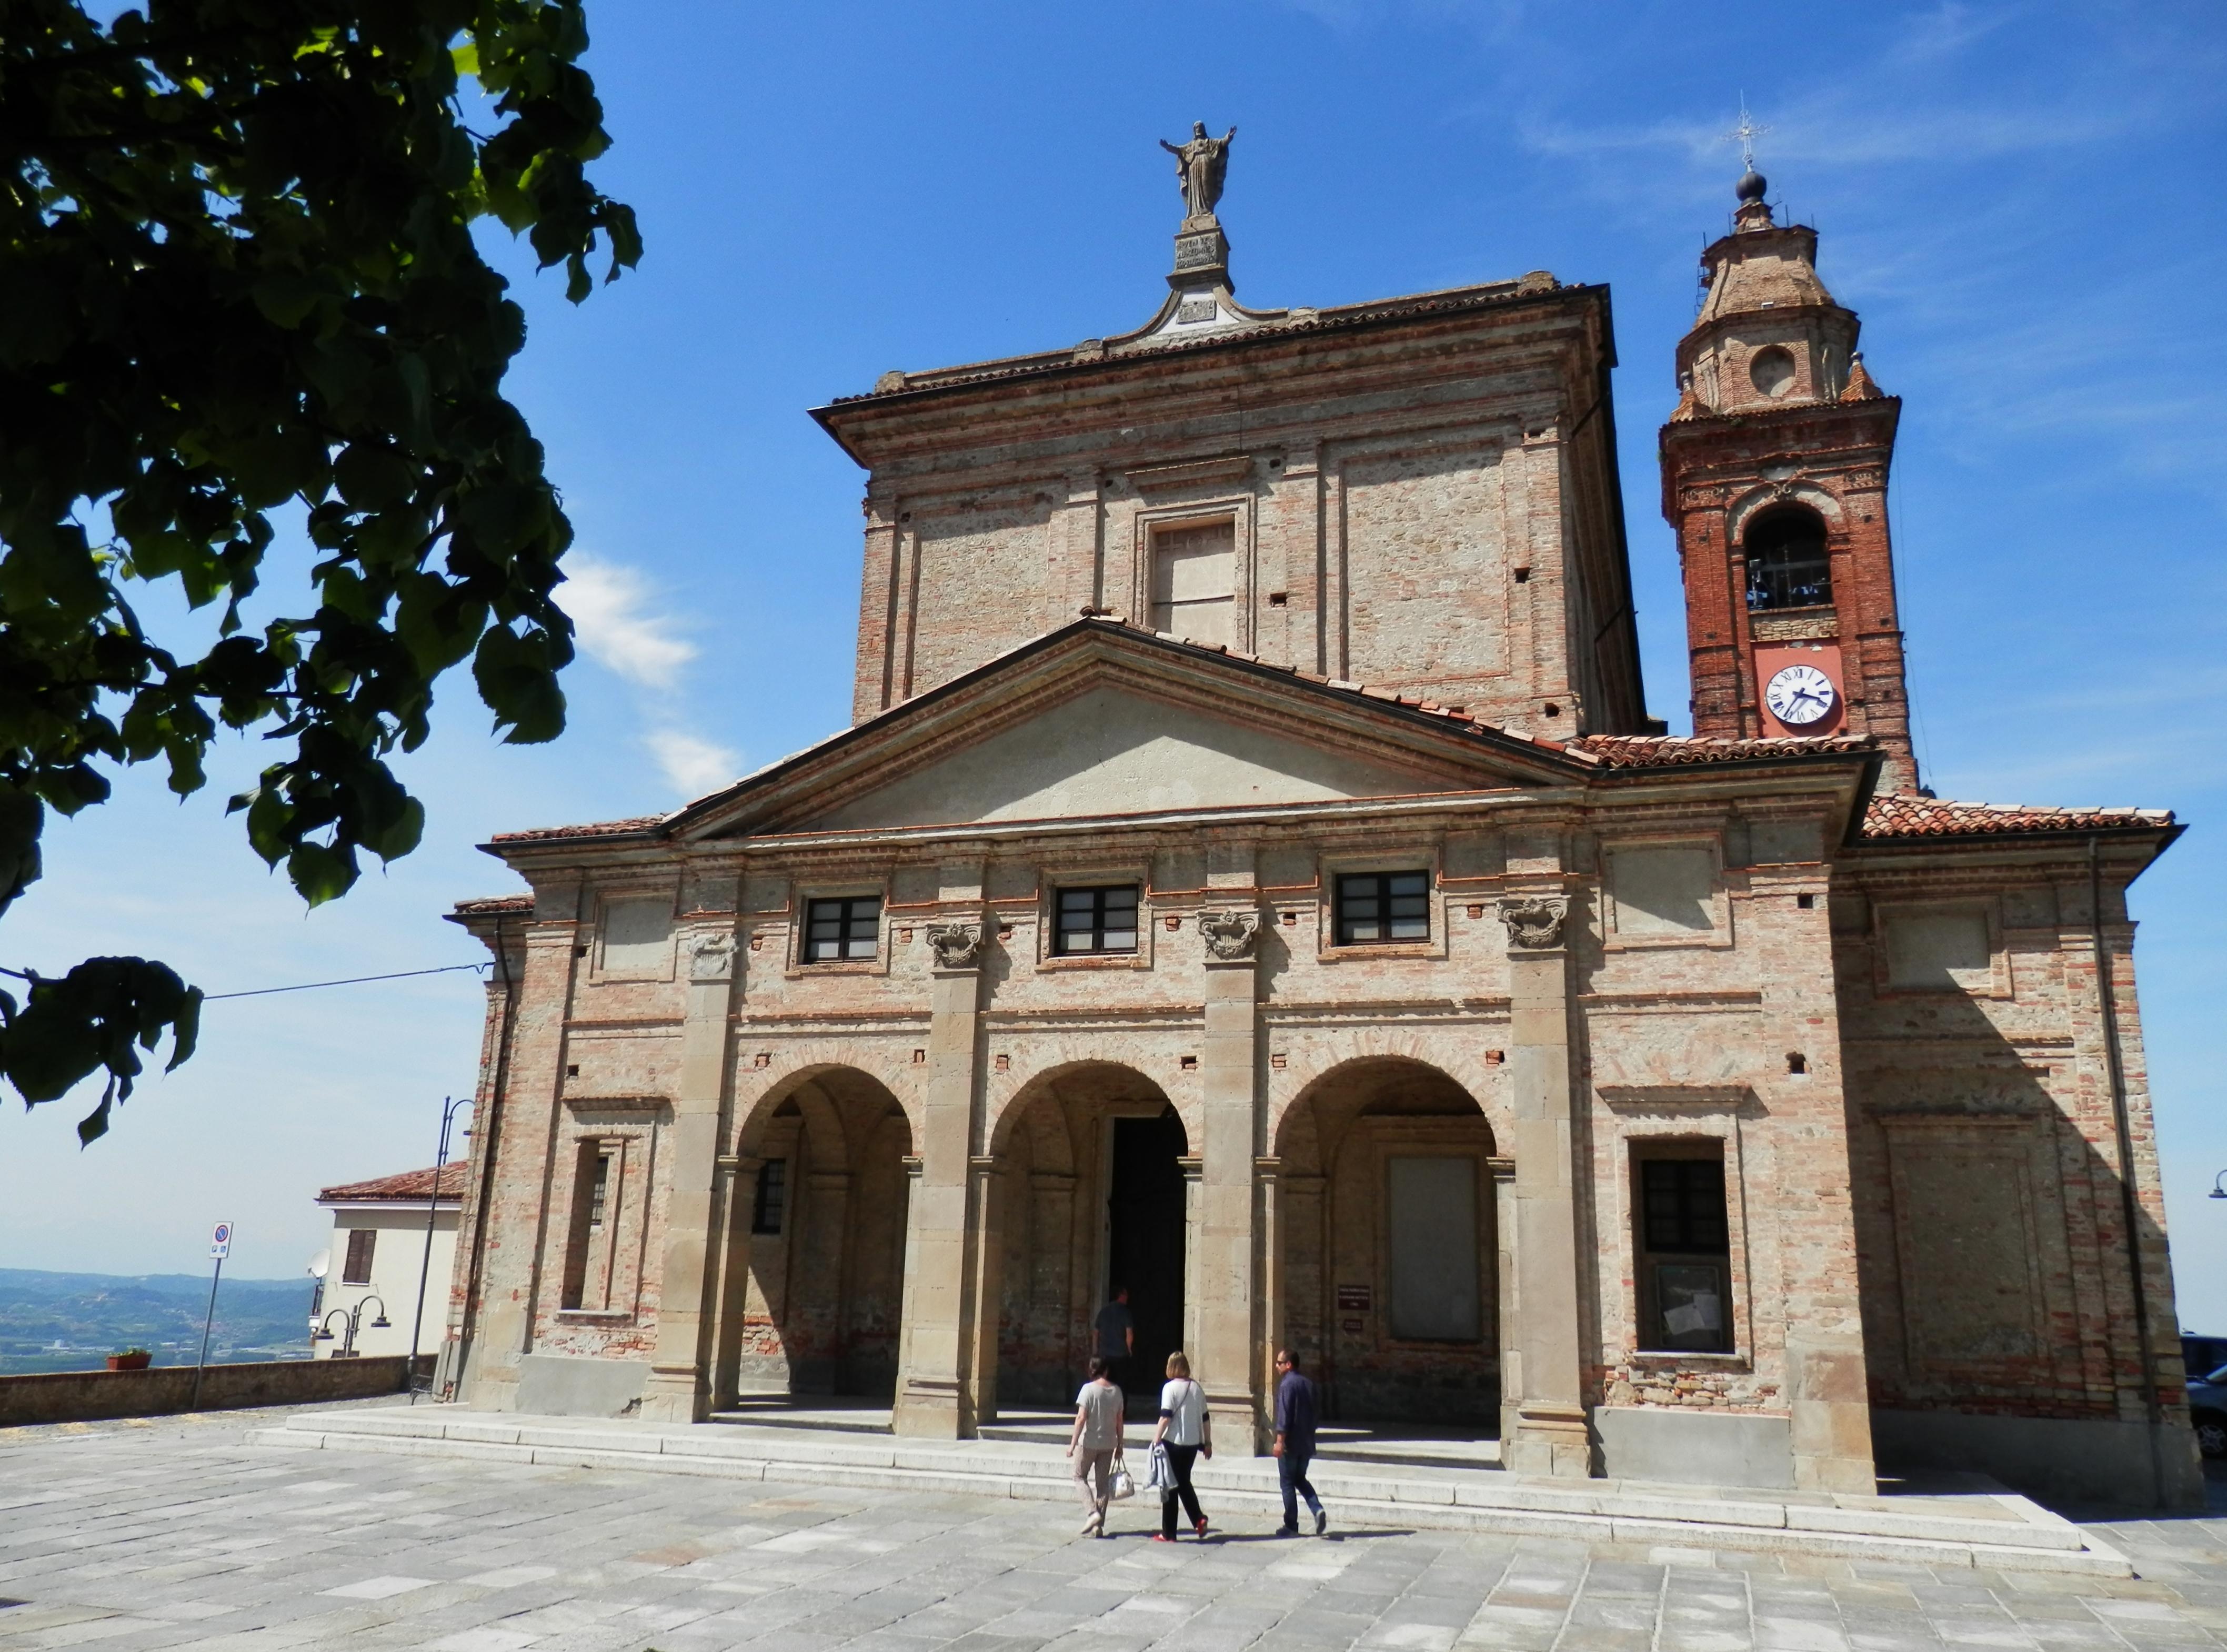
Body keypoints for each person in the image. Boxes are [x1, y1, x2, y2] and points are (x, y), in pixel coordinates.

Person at [1149, 1350, 1211, 1543]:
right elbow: (1206, 1418)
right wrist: (1207, 1442)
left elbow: (1166, 1416)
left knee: (1170, 1486)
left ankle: (1169, 1532)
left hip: (1174, 1442)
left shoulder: (1170, 1388)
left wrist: (1156, 1438)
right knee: (1183, 1482)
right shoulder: (1196, 1388)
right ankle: (1198, 1519)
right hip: (1193, 1444)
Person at [1068, 1354, 1125, 1537]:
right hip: (1109, 1443)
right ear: (1106, 1369)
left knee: (1078, 1476)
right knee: (1102, 1485)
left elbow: (1081, 1418)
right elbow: (1119, 1421)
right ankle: (1097, 1526)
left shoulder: (1088, 1389)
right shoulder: (1117, 1391)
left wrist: (1072, 1444)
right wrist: (1120, 1444)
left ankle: (1092, 1513)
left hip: (1090, 1442)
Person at [1272, 1347, 1326, 1537]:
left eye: (1279, 1363)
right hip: (1307, 1442)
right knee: (1300, 1479)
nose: (1276, 1366)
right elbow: (1316, 1413)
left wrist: (1280, 1441)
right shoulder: (1308, 1384)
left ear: (1289, 1365)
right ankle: (1317, 1509)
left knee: (1287, 1483)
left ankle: (1291, 1525)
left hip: (1291, 1444)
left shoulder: (1287, 1385)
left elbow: (1284, 1415)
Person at [1094, 1286, 1135, 1393]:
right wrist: (1129, 1349)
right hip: (1121, 1355)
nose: (1128, 1297)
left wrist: (1096, 1350)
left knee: (1105, 1384)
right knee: (1121, 1387)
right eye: (1126, 1295)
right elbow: (1129, 1333)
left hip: (1105, 1355)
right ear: (1121, 1296)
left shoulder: (1103, 1312)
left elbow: (1096, 1333)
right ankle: (1121, 1409)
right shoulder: (1125, 1312)